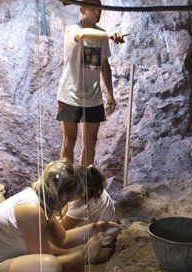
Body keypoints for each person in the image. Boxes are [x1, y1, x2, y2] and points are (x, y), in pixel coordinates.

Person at [57, 0, 126, 166]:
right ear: (82, 9)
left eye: (100, 9)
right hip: (70, 95)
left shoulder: (102, 35)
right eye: (94, 9)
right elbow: (82, 35)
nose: (98, 12)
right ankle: (66, 185)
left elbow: (104, 66)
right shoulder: (73, 29)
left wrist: (110, 94)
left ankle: (85, 186)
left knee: (90, 145)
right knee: (69, 143)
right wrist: (109, 35)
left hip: (93, 97)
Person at [60, 165, 118, 263]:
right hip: (108, 239)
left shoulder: (82, 206)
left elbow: (61, 230)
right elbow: (67, 211)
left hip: (100, 248)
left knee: (53, 249)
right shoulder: (94, 186)